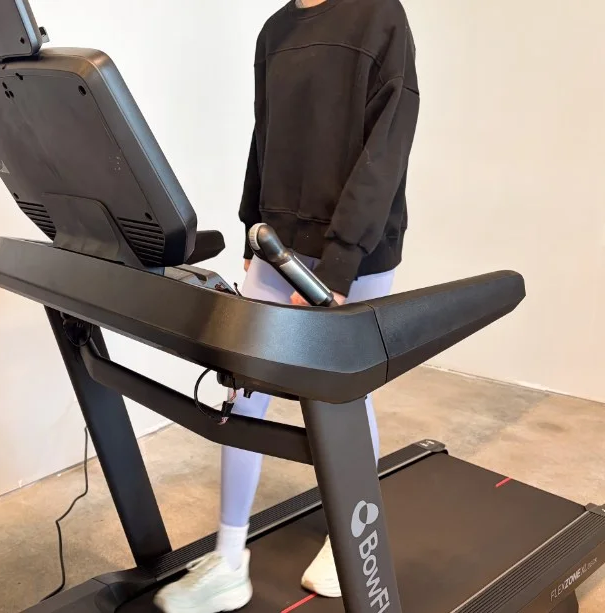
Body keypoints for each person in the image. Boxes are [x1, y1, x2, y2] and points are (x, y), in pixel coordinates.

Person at [155, 0, 419, 610]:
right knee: (245, 393)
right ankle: (227, 559)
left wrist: (339, 262)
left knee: (342, 396)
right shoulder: (275, 30)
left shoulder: (379, 16)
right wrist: (251, 225)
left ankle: (351, 543)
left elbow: (388, 146)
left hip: (354, 252)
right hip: (275, 243)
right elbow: (263, 133)